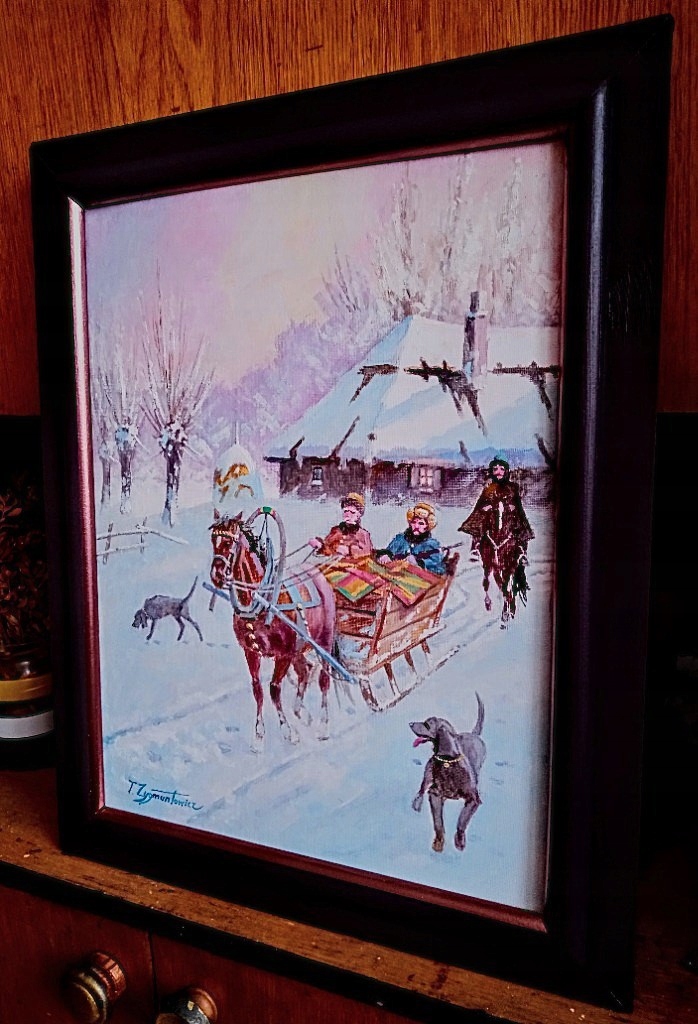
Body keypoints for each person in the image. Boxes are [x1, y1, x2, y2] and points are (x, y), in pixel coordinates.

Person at [458, 457, 534, 557]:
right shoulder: (489, 487)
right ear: (492, 471)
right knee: (480, 519)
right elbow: (482, 502)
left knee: (519, 522)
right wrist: (485, 507)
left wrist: (513, 507)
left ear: (506, 471)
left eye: (502, 469)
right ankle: (476, 545)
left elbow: (517, 503)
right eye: (495, 469)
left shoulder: (512, 487)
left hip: (508, 513)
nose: (499, 472)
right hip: (491, 512)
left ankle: (521, 549)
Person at [375, 502, 447, 576]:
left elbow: (436, 565)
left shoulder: (432, 544)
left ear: (427, 526)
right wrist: (386, 555)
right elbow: (390, 551)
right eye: (414, 522)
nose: (416, 526)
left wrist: (418, 563)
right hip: (396, 574)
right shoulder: (400, 538)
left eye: (421, 524)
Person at [308, 493, 373, 560]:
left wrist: (349, 550)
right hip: (333, 564)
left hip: (355, 565)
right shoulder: (336, 530)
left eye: (352, 512)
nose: (348, 515)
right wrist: (320, 545)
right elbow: (327, 550)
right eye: (345, 511)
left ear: (359, 514)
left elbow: (367, 553)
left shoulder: (363, 534)